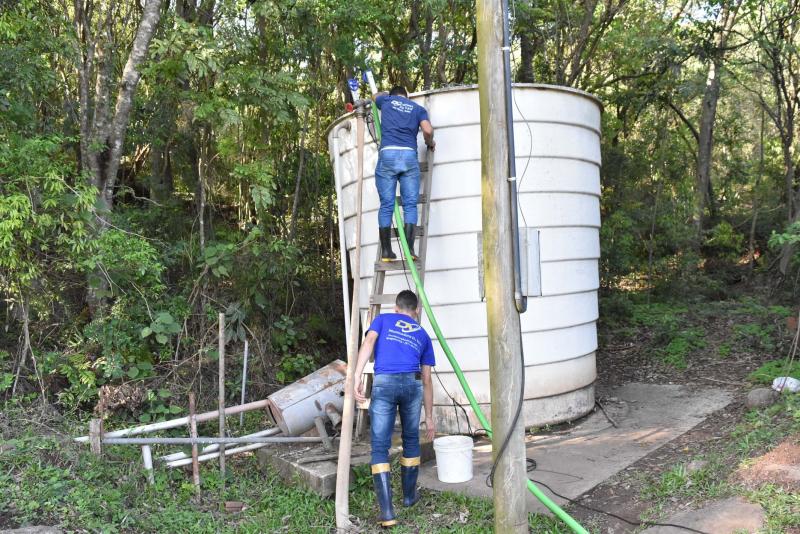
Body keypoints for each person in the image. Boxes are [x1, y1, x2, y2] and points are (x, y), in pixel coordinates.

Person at [353, 290, 436, 527]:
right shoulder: (423, 334)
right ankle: (409, 497)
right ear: (416, 311)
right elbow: (427, 379)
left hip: (385, 383)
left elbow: (368, 341)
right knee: (411, 439)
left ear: (396, 309)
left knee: (380, 444)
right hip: (412, 384)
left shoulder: (383, 319)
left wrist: (357, 376)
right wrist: (429, 417)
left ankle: (388, 513)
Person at [372, 85, 435, 262]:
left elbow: (374, 96)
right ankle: (409, 251)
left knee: (386, 205)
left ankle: (386, 252)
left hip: (388, 154)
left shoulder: (386, 100)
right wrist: (430, 143)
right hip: (408, 156)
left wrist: (385, 95)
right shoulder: (418, 109)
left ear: (393, 95)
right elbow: (428, 131)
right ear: (406, 96)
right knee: (410, 205)